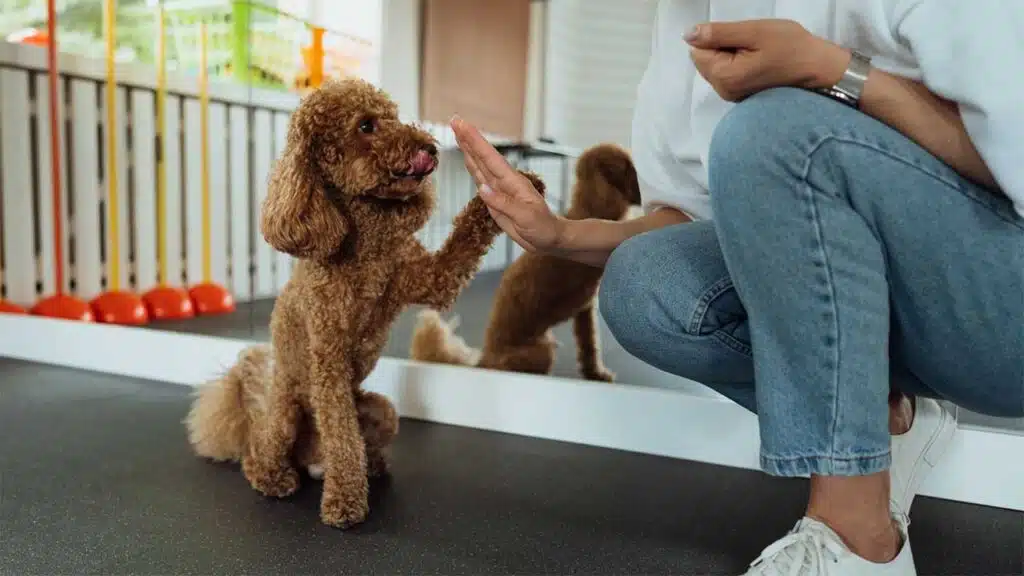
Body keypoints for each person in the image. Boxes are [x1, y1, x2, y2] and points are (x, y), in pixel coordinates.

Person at [450, 1, 1023, 575]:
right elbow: (693, 222)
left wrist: (833, 71)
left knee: (776, 130)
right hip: (887, 312)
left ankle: (855, 543)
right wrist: (560, 235)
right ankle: (888, 424)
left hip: (1000, 308)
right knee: (646, 282)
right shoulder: (682, 19)